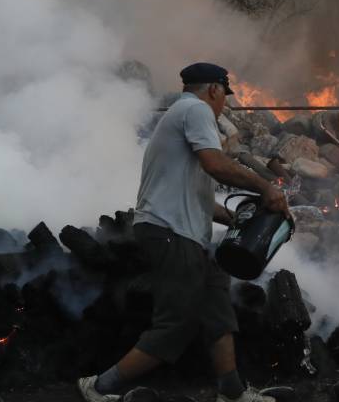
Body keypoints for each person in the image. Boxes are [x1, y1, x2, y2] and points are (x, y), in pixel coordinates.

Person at [79, 62, 289, 402]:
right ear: (214, 90)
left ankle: (232, 393)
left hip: (178, 231)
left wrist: (231, 218)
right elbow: (216, 164)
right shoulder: (195, 110)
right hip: (169, 232)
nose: (224, 105)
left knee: (217, 305)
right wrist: (265, 187)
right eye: (224, 96)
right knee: (176, 322)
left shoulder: (182, 116)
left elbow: (196, 193)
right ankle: (98, 387)